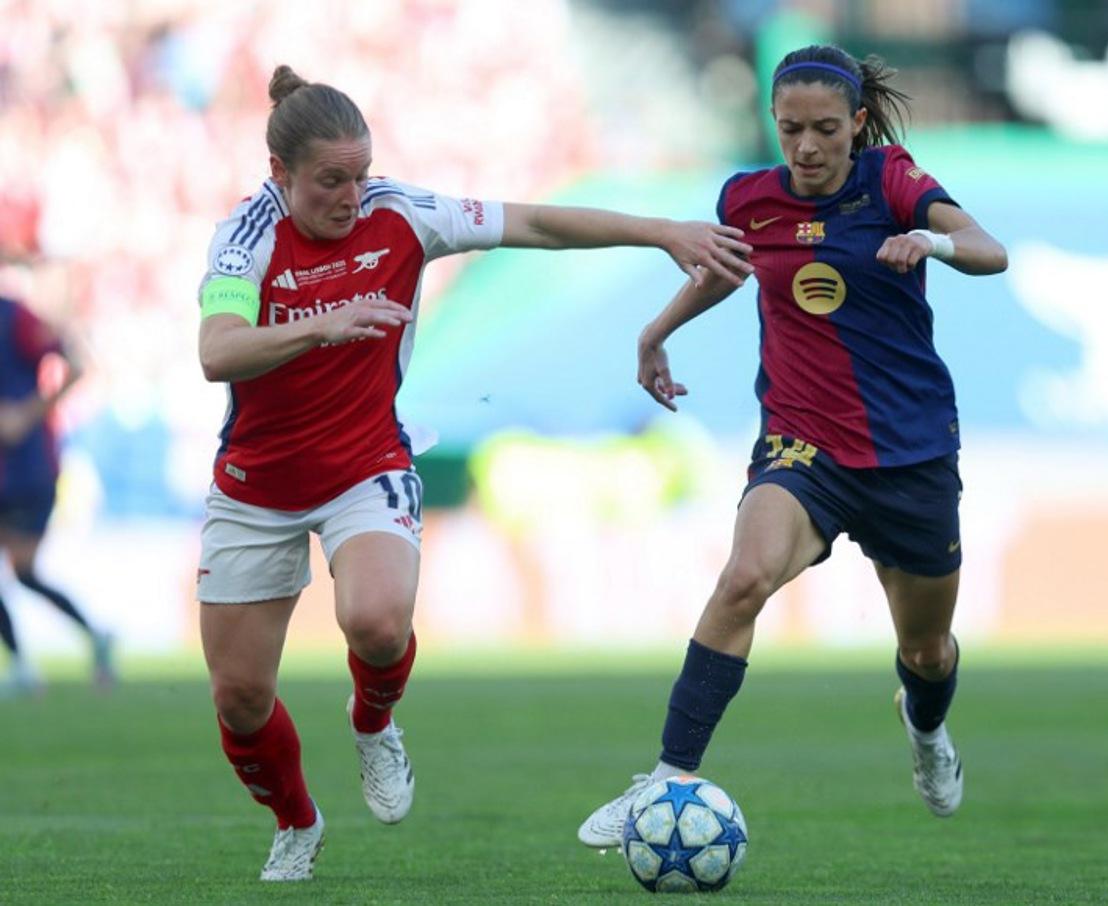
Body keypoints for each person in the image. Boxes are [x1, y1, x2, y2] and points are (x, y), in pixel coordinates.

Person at [197, 64, 754, 882]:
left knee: (379, 623)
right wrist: (326, 323)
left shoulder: (403, 215)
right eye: (330, 180)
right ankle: (296, 821)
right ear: (279, 174)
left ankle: (374, 723)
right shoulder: (245, 237)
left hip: (365, 465)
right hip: (255, 487)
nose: (352, 196)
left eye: (361, 173)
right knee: (240, 699)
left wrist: (661, 230)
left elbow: (536, 224)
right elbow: (216, 351)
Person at [576, 44, 1008, 848]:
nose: (806, 148)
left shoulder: (891, 182)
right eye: (789, 130)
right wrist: (655, 331)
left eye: (823, 130)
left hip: (909, 452)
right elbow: (724, 270)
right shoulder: (750, 198)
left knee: (927, 648)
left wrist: (931, 244)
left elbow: (990, 248)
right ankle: (668, 777)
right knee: (743, 578)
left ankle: (923, 729)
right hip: (803, 442)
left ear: (857, 126)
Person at [0, 293, 114, 695]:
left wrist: (25, 415)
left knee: (25, 572)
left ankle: (29, 664)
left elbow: (77, 364)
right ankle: (26, 665)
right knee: (24, 574)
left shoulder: (13, 316)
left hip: (26, 471)